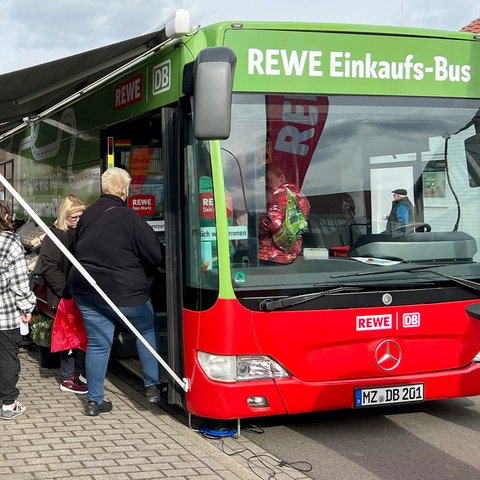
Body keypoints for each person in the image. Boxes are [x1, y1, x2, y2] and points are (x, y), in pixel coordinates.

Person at [68, 167, 165, 416]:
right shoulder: (130, 217)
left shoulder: (87, 215)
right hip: (125, 292)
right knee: (145, 330)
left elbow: (79, 247)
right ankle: (153, 388)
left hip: (88, 291)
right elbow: (155, 253)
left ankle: (94, 401)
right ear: (125, 191)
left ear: (104, 189)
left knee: (99, 345)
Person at [38, 195, 87, 394]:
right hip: (65, 294)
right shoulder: (55, 236)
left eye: (80, 217)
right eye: (73, 217)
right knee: (68, 336)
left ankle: (78, 374)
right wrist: (65, 290)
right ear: (64, 215)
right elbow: (49, 267)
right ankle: (67, 378)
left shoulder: (79, 233)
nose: (77, 221)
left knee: (77, 335)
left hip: (78, 292)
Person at [0, 201, 37, 420]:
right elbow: (20, 282)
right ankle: (8, 404)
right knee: (6, 357)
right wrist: (27, 307)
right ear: (5, 217)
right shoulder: (9, 242)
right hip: (4, 314)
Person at [258, 165, 310, 264]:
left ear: (281, 178)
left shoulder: (280, 192)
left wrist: (258, 224)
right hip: (293, 252)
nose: (266, 184)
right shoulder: (300, 195)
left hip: (274, 254)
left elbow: (274, 223)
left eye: (268, 179)